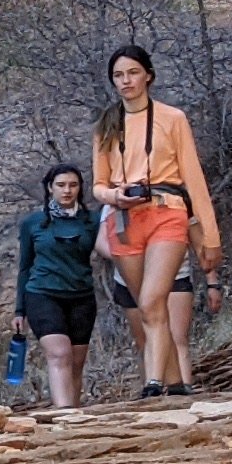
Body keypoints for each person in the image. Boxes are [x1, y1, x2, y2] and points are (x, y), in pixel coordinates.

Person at [92, 45, 218, 397]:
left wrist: (210, 235)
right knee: (149, 308)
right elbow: (98, 184)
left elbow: (194, 179)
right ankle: (177, 385)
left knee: (151, 300)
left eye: (132, 72)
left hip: (167, 210)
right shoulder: (107, 124)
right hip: (125, 218)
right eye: (118, 75)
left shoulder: (172, 118)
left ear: (147, 74)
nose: (125, 81)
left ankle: (152, 384)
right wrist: (113, 197)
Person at [12, 164, 104, 409]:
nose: (67, 191)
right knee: (59, 354)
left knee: (76, 361)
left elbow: (111, 251)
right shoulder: (33, 222)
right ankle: (64, 415)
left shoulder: (92, 221)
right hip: (42, 294)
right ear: (50, 188)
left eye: (73, 185)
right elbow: (24, 266)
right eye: (61, 185)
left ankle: (73, 415)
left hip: (81, 296)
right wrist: (19, 310)